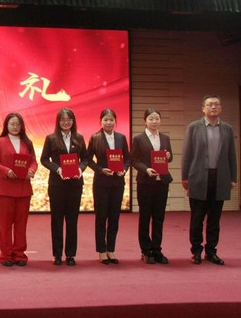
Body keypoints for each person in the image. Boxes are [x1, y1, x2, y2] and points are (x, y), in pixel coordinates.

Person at [181, 95, 237, 266]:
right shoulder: (193, 127)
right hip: (198, 177)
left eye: (216, 104)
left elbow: (232, 155)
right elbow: (187, 154)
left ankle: (211, 251)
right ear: (203, 108)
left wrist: (233, 177)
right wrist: (184, 176)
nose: (213, 107)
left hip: (220, 178)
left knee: (214, 219)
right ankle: (196, 251)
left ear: (220, 108)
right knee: (197, 218)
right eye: (210, 104)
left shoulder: (227, 129)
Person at [40, 108, 88, 266]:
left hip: (75, 184)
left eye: (69, 120)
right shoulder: (51, 138)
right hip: (57, 185)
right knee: (57, 220)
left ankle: (71, 254)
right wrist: (58, 169)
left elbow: (85, 159)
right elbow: (44, 159)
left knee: (72, 220)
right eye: (63, 120)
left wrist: (80, 169)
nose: (66, 122)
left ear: (73, 121)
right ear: (58, 121)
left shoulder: (79, 138)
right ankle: (57, 254)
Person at [0, 112, 37, 267]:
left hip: (24, 188)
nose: (15, 127)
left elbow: (34, 162)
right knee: (6, 223)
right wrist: (6, 171)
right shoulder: (0, 142)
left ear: (22, 126)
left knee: (21, 223)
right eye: (12, 124)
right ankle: (6, 255)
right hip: (6, 188)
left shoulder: (27, 142)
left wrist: (31, 171)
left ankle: (20, 254)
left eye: (18, 124)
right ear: (6, 126)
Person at [87, 109, 130, 265]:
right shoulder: (95, 138)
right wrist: (100, 170)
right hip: (101, 183)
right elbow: (88, 160)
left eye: (111, 120)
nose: (108, 122)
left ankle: (111, 249)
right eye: (105, 120)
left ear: (115, 121)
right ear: (101, 121)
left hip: (118, 183)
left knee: (114, 217)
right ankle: (102, 250)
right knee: (101, 217)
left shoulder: (121, 137)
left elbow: (127, 159)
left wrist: (124, 169)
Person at [131, 107, 173, 265]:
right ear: (145, 121)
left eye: (157, 118)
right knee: (145, 216)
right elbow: (134, 160)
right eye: (151, 119)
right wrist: (146, 169)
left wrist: (168, 156)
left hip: (162, 182)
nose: (154, 121)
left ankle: (157, 249)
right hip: (145, 182)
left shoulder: (165, 138)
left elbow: (169, 158)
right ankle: (146, 250)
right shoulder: (138, 139)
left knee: (159, 217)